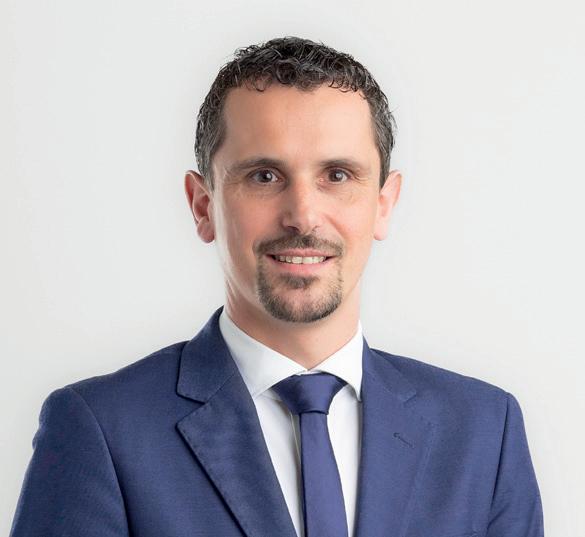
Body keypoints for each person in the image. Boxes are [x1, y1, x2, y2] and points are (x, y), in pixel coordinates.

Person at [9, 36, 544, 537]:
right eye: (264, 176)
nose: (303, 215)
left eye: (337, 175)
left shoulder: (483, 431)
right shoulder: (102, 430)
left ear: (383, 204)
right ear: (203, 206)